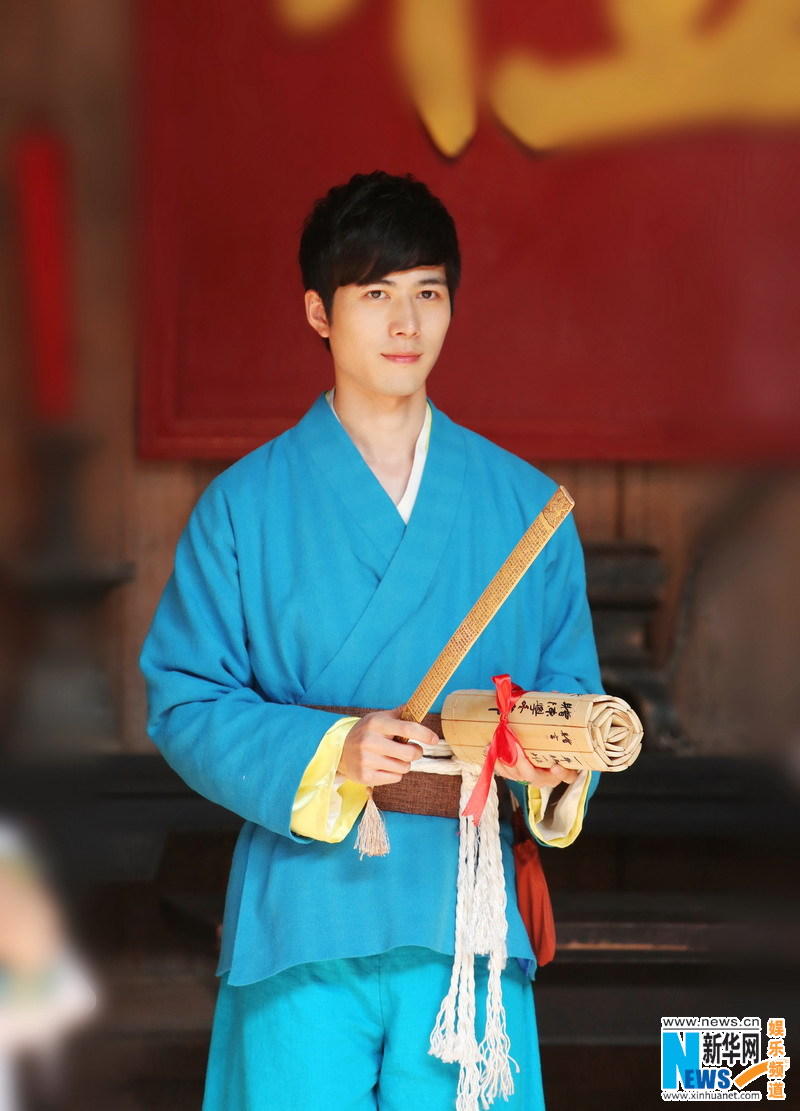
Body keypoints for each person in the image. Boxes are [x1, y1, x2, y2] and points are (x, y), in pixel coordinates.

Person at [140, 171, 603, 1111]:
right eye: (375, 293)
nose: (406, 322)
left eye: (428, 292)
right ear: (319, 311)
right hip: (303, 906)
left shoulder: (529, 510)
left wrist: (554, 763)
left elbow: (571, 697)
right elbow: (186, 699)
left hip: (464, 908)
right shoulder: (242, 507)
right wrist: (335, 749)